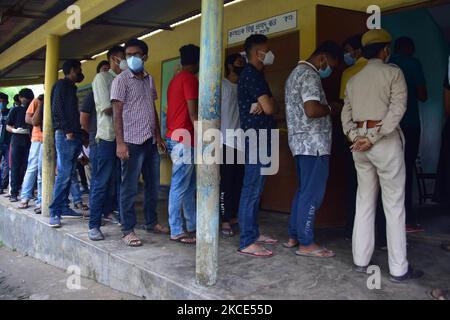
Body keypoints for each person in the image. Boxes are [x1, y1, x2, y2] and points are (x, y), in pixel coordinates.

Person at [341, 29, 423, 282]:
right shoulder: (393, 72)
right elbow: (398, 108)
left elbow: (346, 115)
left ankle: (360, 259)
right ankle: (399, 269)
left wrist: (357, 137)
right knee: (394, 206)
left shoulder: (354, 79)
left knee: (364, 202)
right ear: (385, 50)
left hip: (360, 147)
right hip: (384, 143)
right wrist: (374, 137)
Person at [284, 41, 342, 258]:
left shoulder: (294, 74)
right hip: (314, 144)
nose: (330, 70)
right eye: (331, 65)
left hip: (300, 144)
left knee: (302, 191)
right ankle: (306, 243)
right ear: (322, 58)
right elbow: (311, 109)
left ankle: (294, 235)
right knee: (312, 194)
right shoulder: (310, 75)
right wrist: (331, 108)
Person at [112, 39, 168, 247]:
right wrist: (120, 143)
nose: (131, 58)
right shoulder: (121, 80)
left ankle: (151, 222)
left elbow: (151, 107)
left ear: (145, 56)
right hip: (131, 141)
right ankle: (127, 229)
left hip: (150, 140)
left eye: (136, 54)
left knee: (153, 185)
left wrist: (159, 136)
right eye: (128, 55)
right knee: (129, 186)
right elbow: (117, 113)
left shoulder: (149, 79)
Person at [236, 34, 278, 257]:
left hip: (261, 136)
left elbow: (272, 105)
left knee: (257, 188)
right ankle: (247, 241)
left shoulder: (258, 75)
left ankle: (252, 232)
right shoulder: (251, 74)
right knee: (252, 188)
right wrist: (269, 105)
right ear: (256, 52)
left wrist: (270, 104)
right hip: (256, 137)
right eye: (266, 49)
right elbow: (270, 108)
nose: (269, 53)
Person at [390, 37, 428, 233]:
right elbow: (422, 95)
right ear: (408, 48)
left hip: (387, 128)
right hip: (409, 124)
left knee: (388, 173)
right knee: (405, 171)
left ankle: (387, 220)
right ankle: (406, 220)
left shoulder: (386, 64)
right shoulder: (412, 64)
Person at [88, 45, 126, 241]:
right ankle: (94, 224)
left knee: (124, 181)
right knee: (101, 181)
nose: (126, 62)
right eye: (123, 58)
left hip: (127, 137)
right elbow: (106, 108)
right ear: (113, 59)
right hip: (107, 138)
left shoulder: (127, 79)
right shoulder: (102, 78)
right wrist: (127, 106)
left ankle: (124, 221)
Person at [165, 44, 200, 245]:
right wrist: (207, 138)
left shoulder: (174, 80)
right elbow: (193, 113)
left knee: (187, 186)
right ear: (196, 62)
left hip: (175, 138)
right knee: (180, 185)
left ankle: (192, 225)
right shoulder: (189, 79)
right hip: (184, 140)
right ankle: (176, 229)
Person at [49, 60, 85, 228]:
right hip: (66, 135)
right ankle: (54, 211)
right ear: (72, 70)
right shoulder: (62, 85)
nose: (80, 72)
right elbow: (57, 109)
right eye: (79, 69)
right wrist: (67, 130)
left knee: (69, 173)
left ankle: (63, 206)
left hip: (73, 135)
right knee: (64, 174)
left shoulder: (71, 87)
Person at [220, 53, 246, 238]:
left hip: (242, 141)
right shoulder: (222, 85)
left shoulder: (244, 86)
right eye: (238, 63)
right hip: (225, 141)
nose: (241, 66)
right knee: (226, 183)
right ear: (230, 66)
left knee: (238, 181)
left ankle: (234, 214)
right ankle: (224, 219)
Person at [6, 88, 33, 202]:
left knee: (28, 167)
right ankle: (14, 193)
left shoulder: (33, 109)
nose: (26, 100)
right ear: (20, 98)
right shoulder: (15, 110)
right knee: (16, 167)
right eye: (24, 98)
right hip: (17, 141)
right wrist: (15, 131)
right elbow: (8, 126)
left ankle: (28, 192)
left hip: (29, 141)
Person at [18, 95, 44, 213]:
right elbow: (28, 119)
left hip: (49, 139)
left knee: (41, 170)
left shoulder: (56, 98)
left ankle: (40, 201)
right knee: (33, 168)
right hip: (38, 138)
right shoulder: (37, 100)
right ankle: (25, 197)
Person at [0, 92, 11, 195]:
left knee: (8, 165)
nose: (2, 103)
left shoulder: (10, 112)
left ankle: (3, 186)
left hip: (7, 143)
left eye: (3, 101)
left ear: (7, 102)